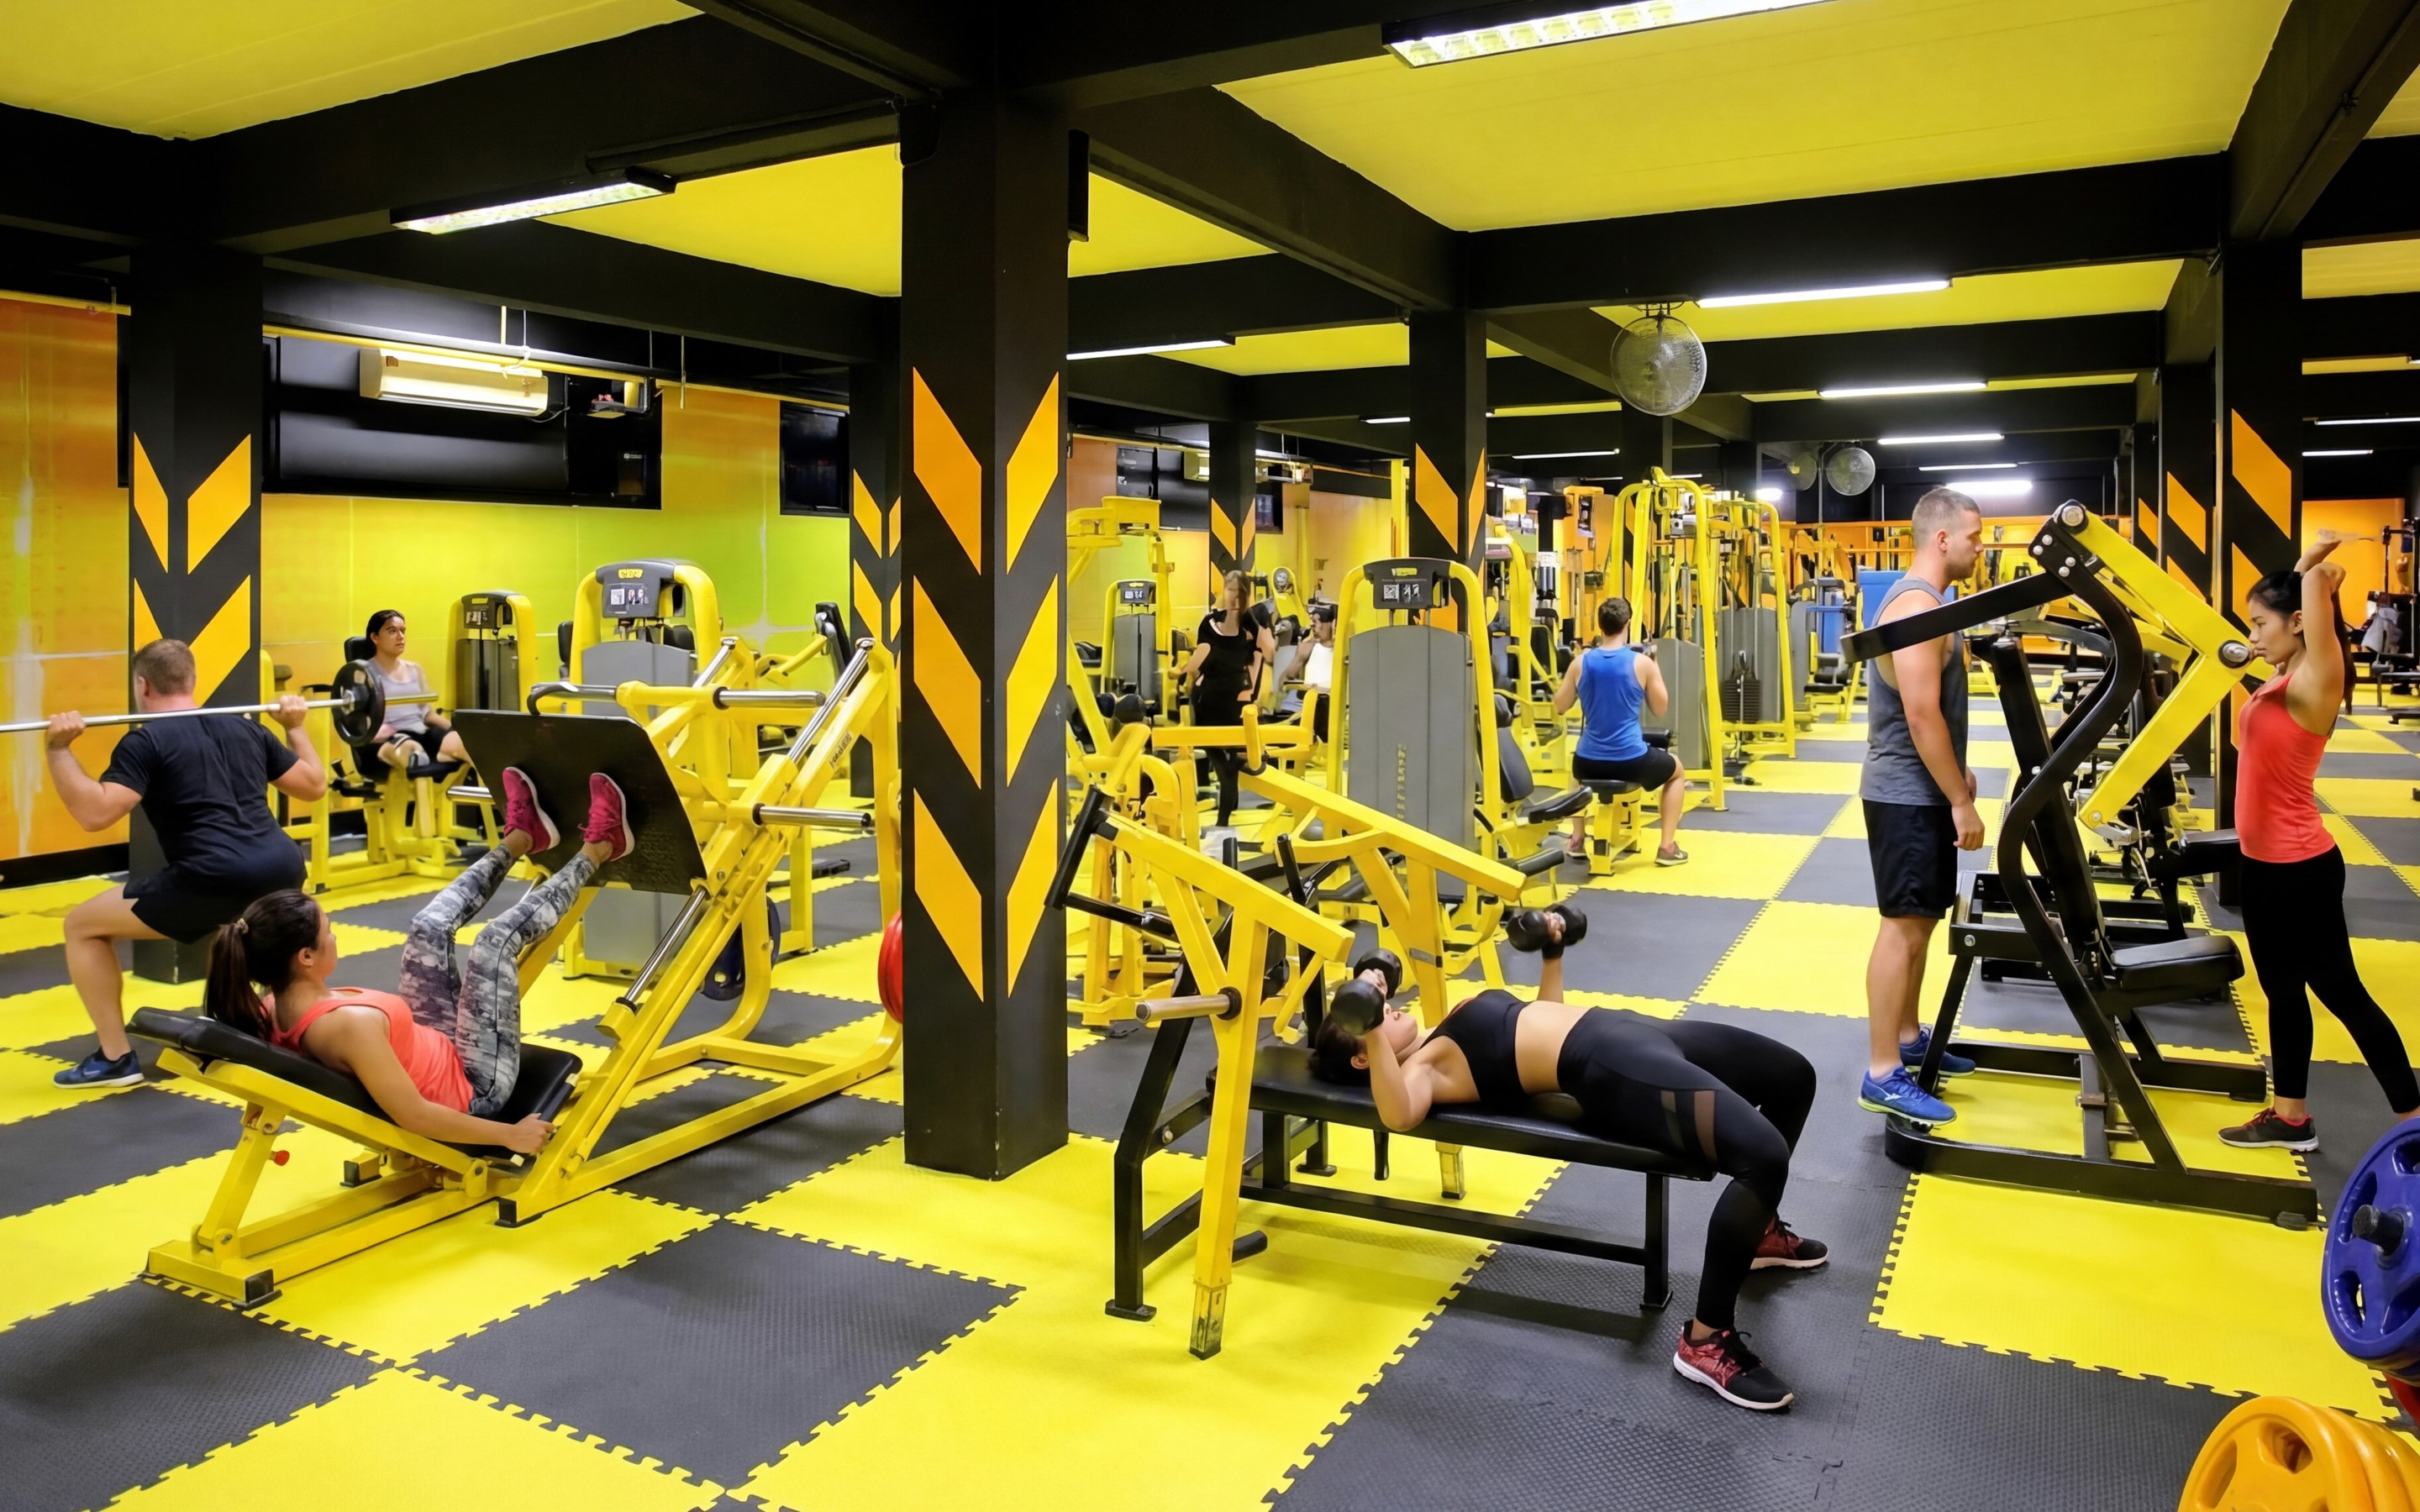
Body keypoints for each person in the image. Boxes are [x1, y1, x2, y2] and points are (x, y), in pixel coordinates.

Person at [1310, 912, 1825, 1412]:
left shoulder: (1440, 1032)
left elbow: (1541, 1019)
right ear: (1364, 1057)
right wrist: (1372, 1024)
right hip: (1608, 1064)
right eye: (1380, 1020)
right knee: (1762, 1157)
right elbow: (1398, 1115)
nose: (1393, 1009)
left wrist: (1552, 953)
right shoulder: (1423, 1070)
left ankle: (1757, 1234)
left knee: (1792, 1075)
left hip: (1632, 1030)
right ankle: (1706, 1341)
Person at [201, 767, 632, 1150]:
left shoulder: (271, 1005)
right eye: (328, 930)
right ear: (306, 957)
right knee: (494, 942)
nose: (335, 936)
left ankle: (521, 839)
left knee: (428, 926)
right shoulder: (347, 1027)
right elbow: (415, 1116)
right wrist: (509, 1134)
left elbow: (261, 1062)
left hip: (432, 1044)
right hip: (473, 1087)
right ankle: (600, 847)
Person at [45, 638, 327, 1089]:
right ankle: (298, 1039)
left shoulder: (146, 741)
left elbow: (94, 815)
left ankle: (116, 1058)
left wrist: (59, 750)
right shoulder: (246, 728)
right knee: (237, 933)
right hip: (284, 868)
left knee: (82, 925)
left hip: (213, 877)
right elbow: (314, 786)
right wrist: (294, 727)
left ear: (143, 685)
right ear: (193, 681)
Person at [2220, 535, 2419, 1150]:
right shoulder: (2279, 677)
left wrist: (2313, 566)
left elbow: (2315, 598)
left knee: (2340, 991)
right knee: (2282, 992)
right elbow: (2238, 746)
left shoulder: (2319, 676)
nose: (2252, 632)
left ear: (2300, 623)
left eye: (2260, 622)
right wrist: (2241, 667)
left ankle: (2412, 1117)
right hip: (2261, 864)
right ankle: (2292, 1117)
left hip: (2299, 867)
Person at [1855, 488, 1986, 1126]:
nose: (1978, 548)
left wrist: (1957, 771)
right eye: (1974, 537)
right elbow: (1919, 711)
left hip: (1923, 787)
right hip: (1904, 792)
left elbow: (1935, 713)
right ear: (1941, 539)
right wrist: (1959, 801)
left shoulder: (1934, 605)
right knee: (1902, 927)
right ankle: (1883, 1071)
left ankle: (1908, 1036)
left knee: (1922, 920)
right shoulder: (1913, 605)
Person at [1554, 596, 1688, 866]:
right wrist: (1654, 663)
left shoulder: (1581, 663)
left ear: (1599, 626)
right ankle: (1667, 847)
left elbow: (1560, 706)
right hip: (1630, 762)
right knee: (1677, 771)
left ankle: (1577, 839)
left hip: (1589, 763)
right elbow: (1660, 709)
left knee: (1576, 772)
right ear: (1627, 625)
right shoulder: (1642, 663)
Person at [1176, 569, 1265, 832]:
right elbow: (1200, 661)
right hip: (1208, 700)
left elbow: (1259, 661)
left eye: (1239, 592)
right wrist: (1186, 677)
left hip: (1235, 702)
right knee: (1222, 760)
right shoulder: (1209, 623)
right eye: (1229, 590)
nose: (1233, 597)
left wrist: (1254, 697)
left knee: (1228, 762)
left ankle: (1225, 816)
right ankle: (1225, 814)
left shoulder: (1251, 625)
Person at [358, 609, 469, 773]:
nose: (400, 637)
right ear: (375, 637)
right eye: (392, 631)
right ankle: (428, 755)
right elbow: (358, 717)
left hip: (422, 733)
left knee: (472, 747)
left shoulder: (414, 670)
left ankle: (501, 797)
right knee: (413, 753)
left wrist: (458, 729)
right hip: (390, 738)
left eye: (403, 631)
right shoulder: (364, 673)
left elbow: (427, 714)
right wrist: (373, 731)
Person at [1278, 602, 1336, 740]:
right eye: (1312, 621)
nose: (1312, 625)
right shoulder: (1307, 647)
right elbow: (1284, 679)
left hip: (1335, 709)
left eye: (1317, 621)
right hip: (1312, 708)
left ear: (1332, 624)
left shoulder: (1345, 649)